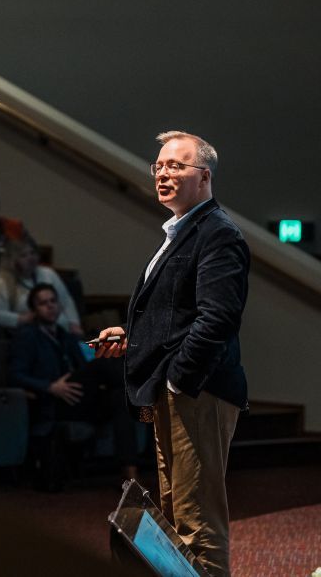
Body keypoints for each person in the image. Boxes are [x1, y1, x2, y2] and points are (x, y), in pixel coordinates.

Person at [95, 131, 249, 576]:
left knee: (197, 527)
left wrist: (177, 377)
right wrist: (133, 336)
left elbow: (217, 319)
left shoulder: (218, 234)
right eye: (158, 165)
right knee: (177, 523)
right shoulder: (181, 231)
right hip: (181, 392)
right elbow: (179, 316)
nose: (162, 173)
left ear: (203, 176)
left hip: (196, 392)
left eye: (175, 166)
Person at [11, 283, 137, 490]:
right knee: (101, 363)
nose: (50, 306)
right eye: (43, 303)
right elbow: (15, 375)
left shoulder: (65, 335)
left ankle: (130, 475)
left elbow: (82, 368)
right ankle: (139, 382)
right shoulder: (27, 336)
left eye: (53, 301)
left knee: (120, 397)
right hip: (55, 400)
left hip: (79, 398)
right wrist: (50, 387)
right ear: (34, 310)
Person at [0, 238, 82, 335]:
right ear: (13, 261)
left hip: (62, 330)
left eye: (32, 253)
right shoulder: (1, 284)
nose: (31, 258)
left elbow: (66, 301)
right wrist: (22, 319)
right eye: (24, 255)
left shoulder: (48, 274)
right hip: (29, 334)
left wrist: (74, 324)